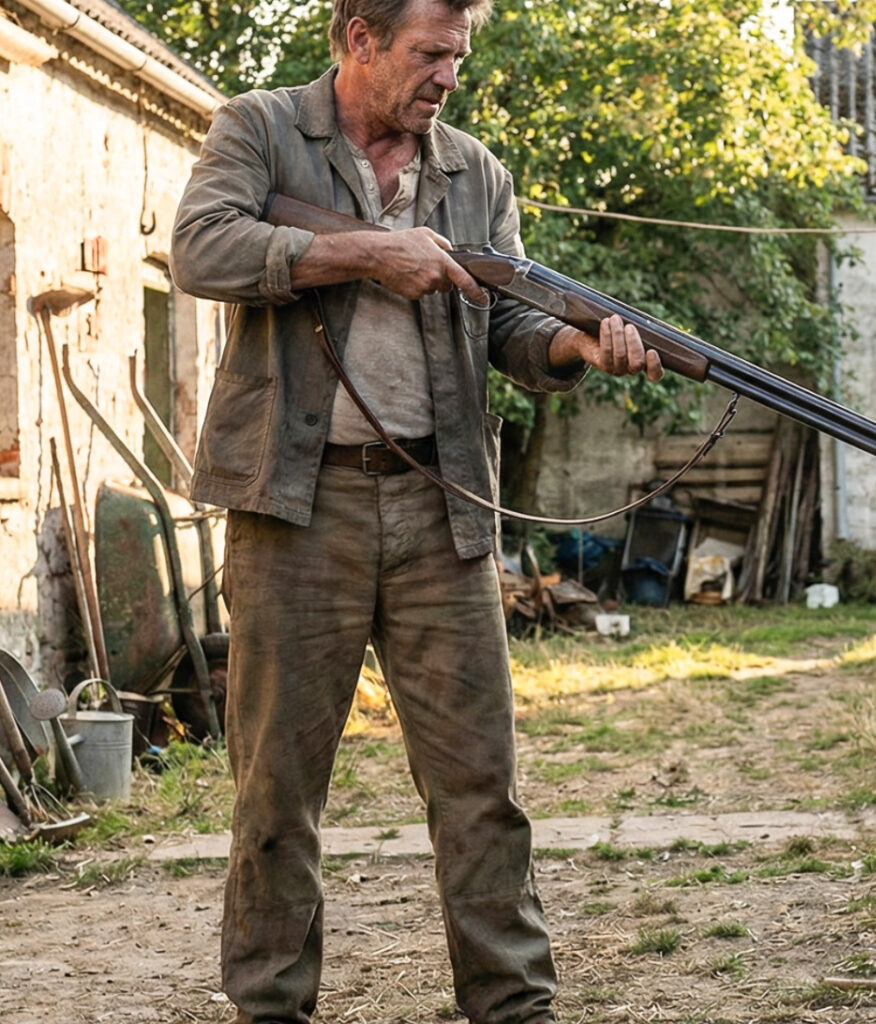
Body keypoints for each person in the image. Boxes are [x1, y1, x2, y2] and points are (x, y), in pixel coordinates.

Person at [171, 1, 662, 1021]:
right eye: (430, 53)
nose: (449, 76)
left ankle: (514, 1004)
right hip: (294, 508)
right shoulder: (259, 130)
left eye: (459, 56)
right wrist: (367, 254)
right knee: (275, 791)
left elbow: (513, 327)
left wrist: (581, 345)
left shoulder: (475, 173)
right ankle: (270, 1005)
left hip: (444, 515)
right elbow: (203, 248)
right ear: (359, 38)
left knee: (481, 787)